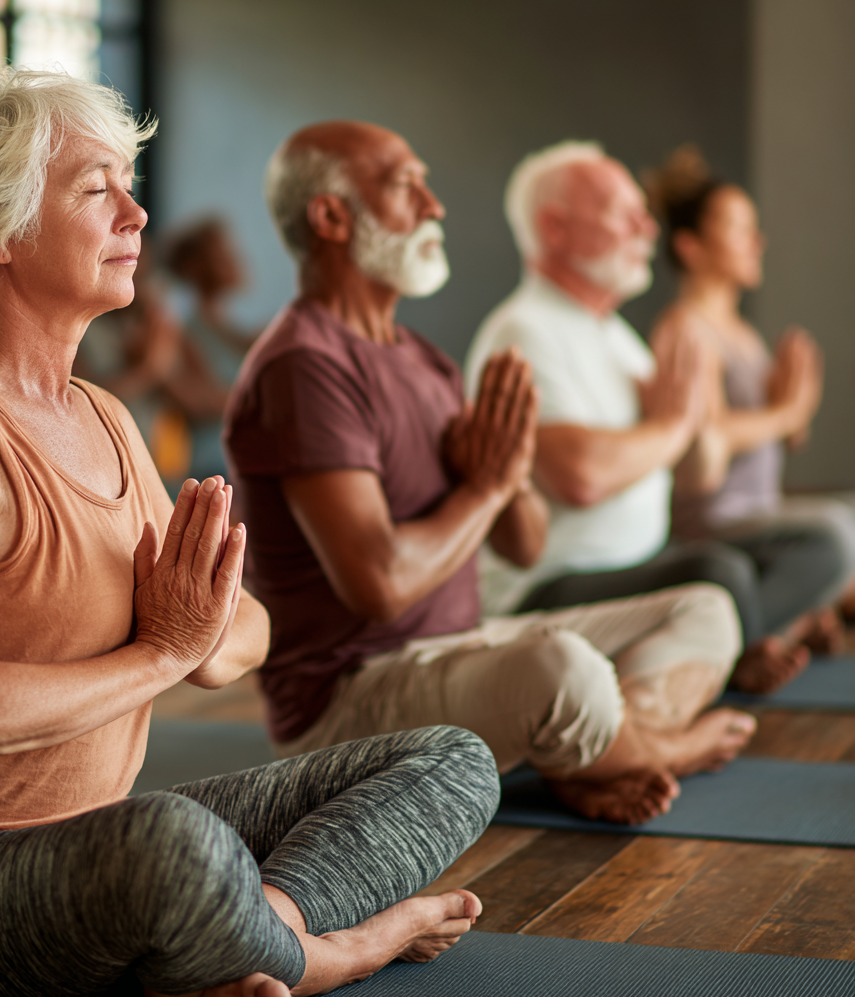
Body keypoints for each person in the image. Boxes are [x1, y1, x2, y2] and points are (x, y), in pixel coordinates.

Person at [0, 70, 500, 997]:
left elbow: (239, 641)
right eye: (96, 189)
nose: (137, 215)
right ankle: (327, 952)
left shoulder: (102, 416)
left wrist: (202, 627)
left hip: (95, 849)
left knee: (450, 760)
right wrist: (167, 649)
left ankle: (256, 933)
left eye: (128, 185)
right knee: (177, 846)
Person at [225, 120, 755, 830]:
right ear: (330, 216)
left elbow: (523, 544)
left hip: (461, 652)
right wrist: (486, 488)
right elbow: (379, 584)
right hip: (348, 700)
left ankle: (591, 754)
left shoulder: (427, 360)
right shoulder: (304, 366)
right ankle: (654, 749)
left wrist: (505, 482)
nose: (434, 206)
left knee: (706, 610)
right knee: (562, 670)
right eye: (405, 186)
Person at [465, 141, 845, 694]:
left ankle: (731, 653)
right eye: (624, 214)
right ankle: (737, 657)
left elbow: (700, 472)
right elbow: (581, 476)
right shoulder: (524, 331)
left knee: (822, 545)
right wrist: (672, 429)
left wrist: (748, 419)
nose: (647, 227)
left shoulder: (618, 338)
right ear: (555, 228)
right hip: (548, 587)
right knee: (718, 574)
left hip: (646, 559)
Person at [647, 145, 855, 645]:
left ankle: (808, 617)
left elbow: (773, 436)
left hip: (760, 512)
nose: (756, 241)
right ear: (690, 245)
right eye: (738, 228)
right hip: (716, 525)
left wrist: (791, 413)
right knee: (839, 529)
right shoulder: (686, 331)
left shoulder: (741, 332)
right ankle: (779, 632)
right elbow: (708, 438)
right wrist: (786, 413)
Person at [75, 233, 227, 489]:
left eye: (145, 273)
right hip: (106, 467)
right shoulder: (83, 328)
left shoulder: (157, 324)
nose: (141, 284)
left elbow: (204, 395)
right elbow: (78, 400)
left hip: (162, 463)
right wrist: (149, 369)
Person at [164, 217, 263, 481]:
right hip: (214, 471)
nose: (235, 260)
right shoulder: (182, 330)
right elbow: (196, 402)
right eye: (222, 254)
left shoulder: (236, 330)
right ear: (195, 267)